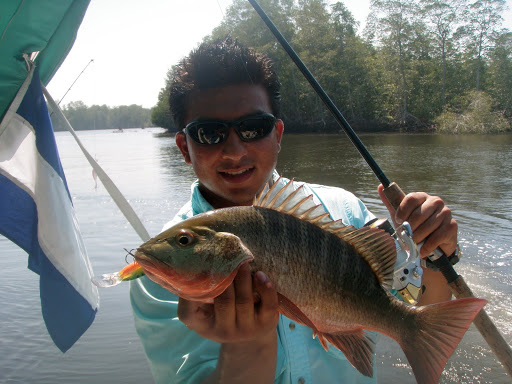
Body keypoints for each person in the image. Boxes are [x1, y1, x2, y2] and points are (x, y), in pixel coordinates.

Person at [130, 37, 457, 384]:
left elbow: (416, 298)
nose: (234, 150)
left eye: (254, 127)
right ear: (184, 147)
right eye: (209, 133)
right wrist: (246, 346)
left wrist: (435, 254)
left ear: (278, 134)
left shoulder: (344, 210)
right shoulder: (162, 273)